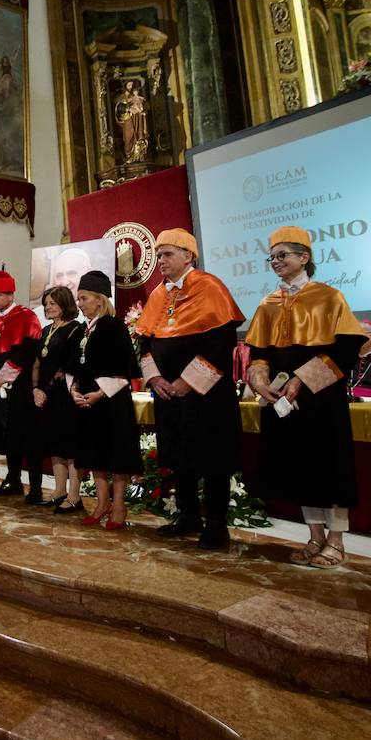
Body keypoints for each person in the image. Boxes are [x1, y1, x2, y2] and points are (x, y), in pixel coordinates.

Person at [246, 227, 367, 569]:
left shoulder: (329, 297)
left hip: (321, 401)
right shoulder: (267, 303)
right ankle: (314, 537)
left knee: (330, 468)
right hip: (283, 402)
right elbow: (258, 352)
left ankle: (337, 541)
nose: (276, 262)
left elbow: (345, 351)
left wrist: (302, 378)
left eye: (283, 255)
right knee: (298, 468)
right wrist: (260, 381)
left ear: (304, 257)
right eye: (272, 257)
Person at [134, 229, 245, 551]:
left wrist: (189, 381)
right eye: (158, 256)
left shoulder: (209, 287)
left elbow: (221, 344)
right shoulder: (158, 295)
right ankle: (187, 515)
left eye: (167, 255)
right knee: (179, 457)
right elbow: (144, 342)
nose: (161, 262)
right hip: (168, 394)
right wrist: (154, 379)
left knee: (213, 460)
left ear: (188, 256)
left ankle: (216, 524)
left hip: (206, 395)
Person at [69, 271, 143, 528]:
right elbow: (76, 365)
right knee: (95, 455)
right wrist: (75, 389)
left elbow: (125, 367)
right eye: (78, 299)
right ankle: (102, 503)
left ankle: (119, 506)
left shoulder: (114, 326)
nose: (80, 304)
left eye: (84, 298)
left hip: (111, 401)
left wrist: (100, 393)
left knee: (116, 454)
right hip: (88, 403)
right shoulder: (83, 330)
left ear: (100, 299)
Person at [0, 270, 43, 499]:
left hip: (21, 387)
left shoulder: (26, 316)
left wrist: (2, 377)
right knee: (6, 437)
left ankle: (34, 487)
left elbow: (29, 350)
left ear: (10, 294)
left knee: (26, 437)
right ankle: (12, 479)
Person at [30, 285, 84, 509]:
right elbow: (37, 363)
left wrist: (48, 387)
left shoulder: (75, 329)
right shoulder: (46, 330)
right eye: (46, 304)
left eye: (52, 303)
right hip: (45, 395)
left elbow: (69, 365)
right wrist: (35, 388)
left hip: (64, 395)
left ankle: (74, 496)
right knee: (54, 445)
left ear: (65, 303)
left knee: (70, 445)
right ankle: (59, 490)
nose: (48, 307)